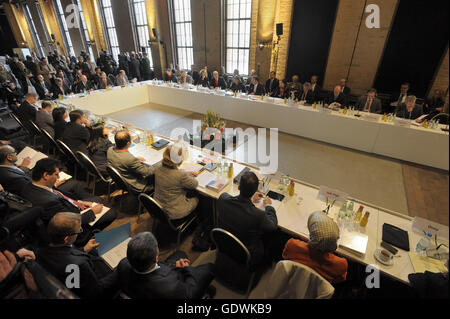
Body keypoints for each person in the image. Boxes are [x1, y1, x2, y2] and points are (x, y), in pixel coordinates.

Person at [20, 159, 116, 237]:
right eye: (56, 174)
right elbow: (69, 222)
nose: (58, 178)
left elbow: (60, 196)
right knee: (112, 213)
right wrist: (92, 212)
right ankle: (89, 234)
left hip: (71, 206)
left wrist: (80, 202)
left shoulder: (33, 184)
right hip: (72, 223)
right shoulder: (49, 202)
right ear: (45, 175)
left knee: (98, 200)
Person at [110, 232, 215, 299]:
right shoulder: (170, 286)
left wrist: (175, 267)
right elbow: (190, 293)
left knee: (180, 254)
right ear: (156, 258)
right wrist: (185, 269)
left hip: (143, 287)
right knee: (209, 268)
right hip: (169, 284)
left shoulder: (123, 264)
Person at [36, 213, 116, 299]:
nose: (79, 233)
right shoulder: (78, 265)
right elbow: (95, 291)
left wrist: (84, 249)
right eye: (79, 231)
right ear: (66, 239)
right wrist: (120, 268)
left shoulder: (39, 250)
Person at [217, 171, 278, 268]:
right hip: (246, 253)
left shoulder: (222, 199)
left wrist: (250, 200)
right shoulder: (258, 215)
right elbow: (273, 227)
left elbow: (236, 203)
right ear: (254, 191)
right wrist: (268, 206)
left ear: (239, 187)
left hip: (224, 244)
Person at [282, 211, 348, 283]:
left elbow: (285, 257)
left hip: (293, 281)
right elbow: (339, 279)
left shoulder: (292, 245)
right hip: (318, 291)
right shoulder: (340, 264)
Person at [154, 145, 199, 220]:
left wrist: (184, 173)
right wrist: (186, 175)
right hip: (175, 212)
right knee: (197, 197)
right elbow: (195, 184)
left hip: (158, 207)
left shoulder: (157, 167)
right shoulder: (180, 175)